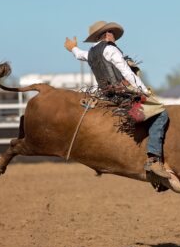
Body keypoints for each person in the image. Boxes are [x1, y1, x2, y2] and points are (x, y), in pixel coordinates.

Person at [64, 20, 171, 179]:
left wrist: (72, 47)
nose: (114, 36)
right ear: (107, 34)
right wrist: (144, 92)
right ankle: (154, 159)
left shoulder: (92, 52)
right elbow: (127, 72)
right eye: (112, 33)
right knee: (161, 114)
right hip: (124, 95)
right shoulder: (111, 50)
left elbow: (80, 55)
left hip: (107, 96)